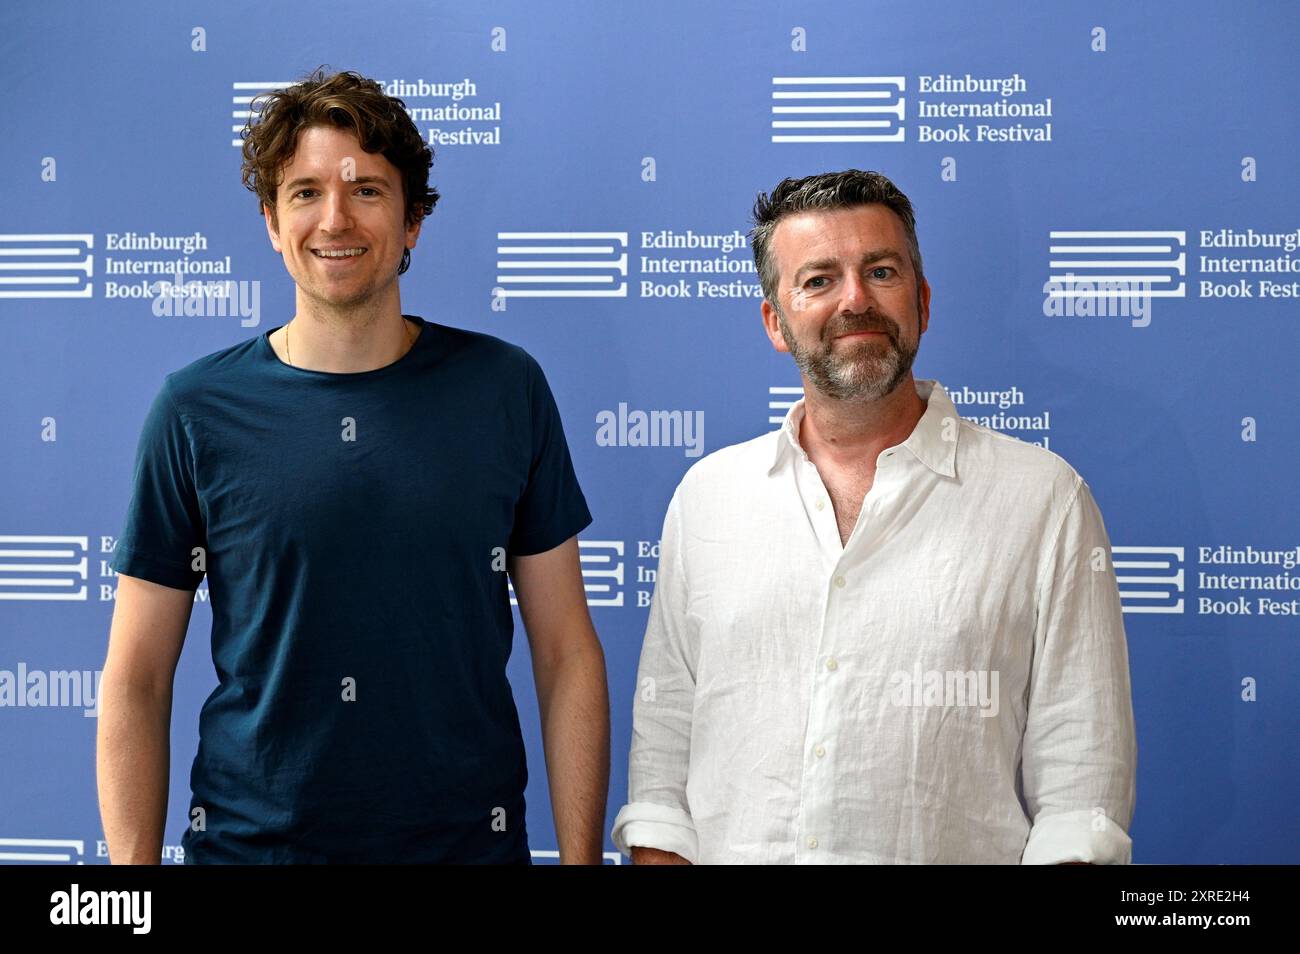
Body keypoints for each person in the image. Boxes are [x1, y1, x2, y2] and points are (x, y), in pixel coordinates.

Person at [97, 68, 609, 864]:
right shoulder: (194, 410)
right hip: (250, 853)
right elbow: (135, 677)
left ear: (413, 223)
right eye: (304, 192)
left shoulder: (505, 390)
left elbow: (567, 652)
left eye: (367, 190)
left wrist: (581, 862)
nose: (334, 218)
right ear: (271, 221)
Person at [612, 170, 1137, 864]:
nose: (854, 299)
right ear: (776, 320)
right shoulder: (708, 498)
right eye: (819, 279)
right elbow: (663, 769)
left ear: (921, 301)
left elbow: (1081, 797)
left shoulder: (1044, 502)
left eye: (880, 271)